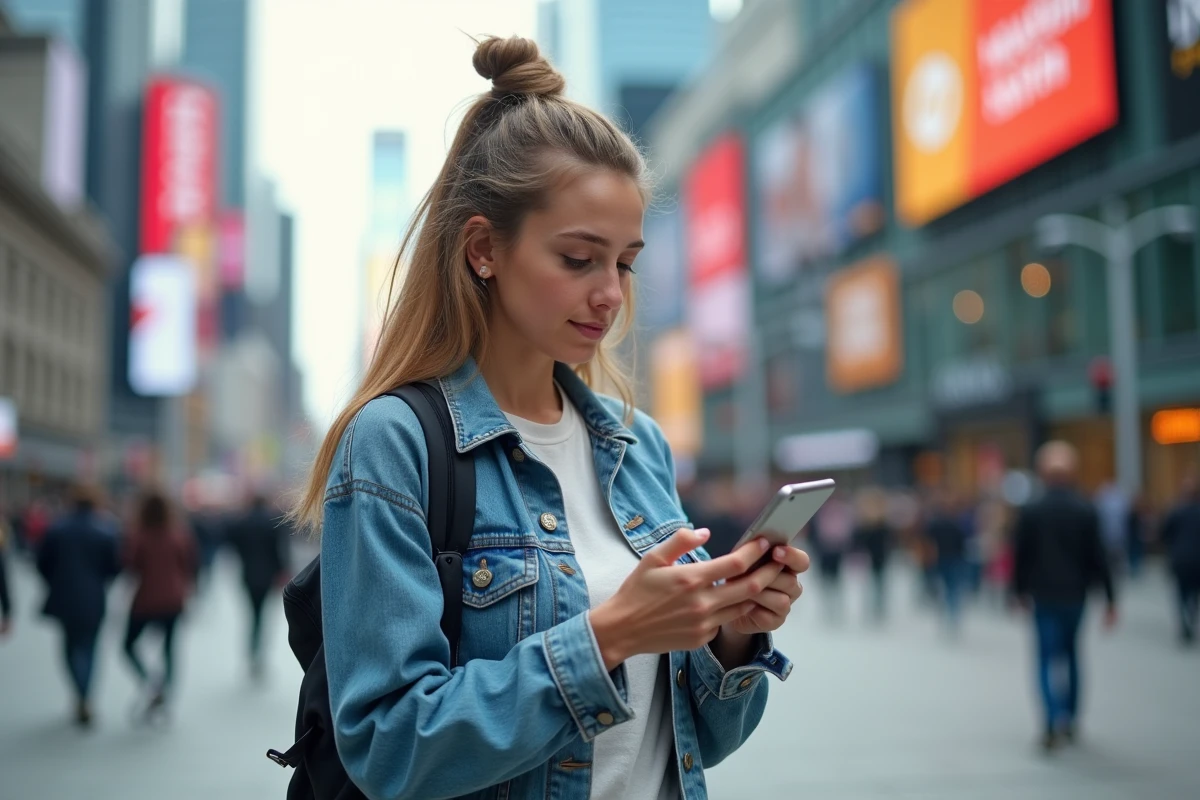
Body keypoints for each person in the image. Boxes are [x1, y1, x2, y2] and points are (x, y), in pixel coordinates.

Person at [288, 36, 810, 800]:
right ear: (483, 250)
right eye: (578, 259)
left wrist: (733, 635)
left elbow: (695, 742)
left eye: (625, 262)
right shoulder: (395, 444)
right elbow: (389, 743)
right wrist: (612, 635)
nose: (611, 293)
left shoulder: (641, 448)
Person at [1012, 441, 1116, 753]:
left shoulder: (1032, 509)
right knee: (1071, 655)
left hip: (1044, 594)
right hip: (1075, 594)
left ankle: (1051, 718)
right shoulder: (1085, 508)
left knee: (1045, 657)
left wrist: (1017, 591)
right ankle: (1069, 719)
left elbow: (1021, 556)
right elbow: (1099, 556)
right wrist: (1110, 598)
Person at [35, 485, 121, 727]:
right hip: (94, 596)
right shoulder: (105, 531)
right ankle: (85, 694)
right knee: (90, 647)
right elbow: (114, 567)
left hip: (64, 595)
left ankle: (80, 692)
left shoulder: (57, 529)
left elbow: (42, 563)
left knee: (69, 646)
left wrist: (55, 580)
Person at [122, 489, 197, 717]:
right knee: (169, 649)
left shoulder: (139, 535)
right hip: (174, 599)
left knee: (128, 645)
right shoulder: (179, 535)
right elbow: (190, 565)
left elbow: (131, 565)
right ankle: (166, 695)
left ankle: (151, 683)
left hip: (146, 599)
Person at [227, 492, 290, 678]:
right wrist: (282, 571)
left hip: (248, 575)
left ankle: (252, 651)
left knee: (252, 615)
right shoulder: (272, 523)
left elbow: (232, 542)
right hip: (267, 576)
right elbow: (279, 550)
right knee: (262, 616)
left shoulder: (242, 523)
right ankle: (259, 654)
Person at [1160, 475, 1200, 645]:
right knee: (1194, 592)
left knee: (1181, 593)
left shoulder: (1176, 511)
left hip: (1180, 558)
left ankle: (1184, 621)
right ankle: (1190, 617)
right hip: (1197, 559)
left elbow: (1164, 534)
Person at [924, 488, 970, 635]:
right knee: (952, 589)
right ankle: (952, 615)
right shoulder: (955, 522)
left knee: (947, 589)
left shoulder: (939, 522)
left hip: (946, 559)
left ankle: (950, 615)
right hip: (951, 559)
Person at [853, 487, 892, 622]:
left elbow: (889, 541)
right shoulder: (864, 524)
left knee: (880, 584)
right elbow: (857, 541)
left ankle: (878, 608)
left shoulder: (884, 522)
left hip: (880, 557)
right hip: (867, 558)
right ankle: (871, 609)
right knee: (869, 585)